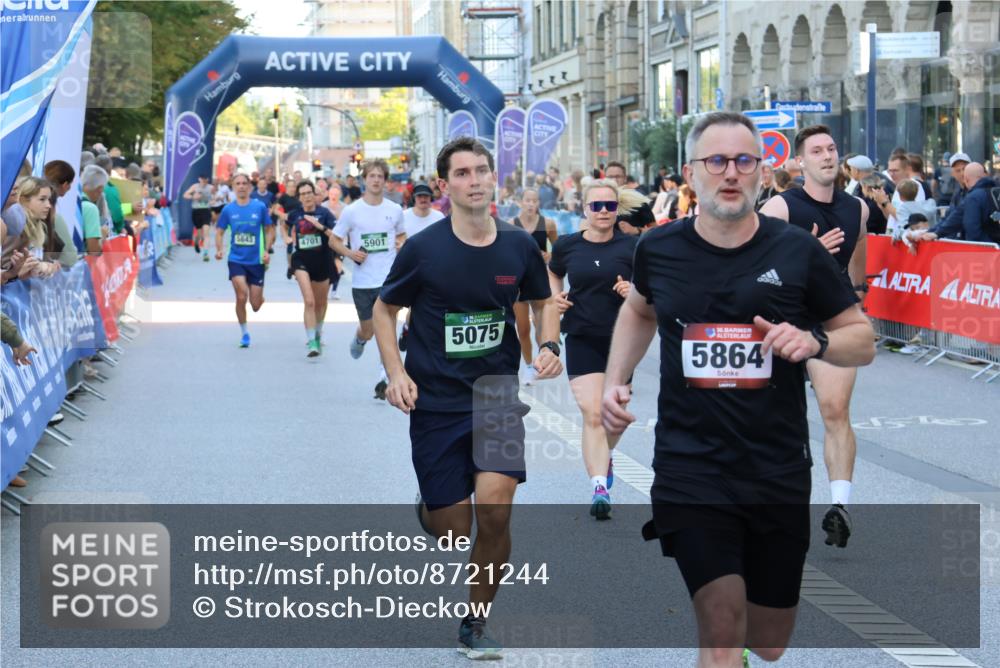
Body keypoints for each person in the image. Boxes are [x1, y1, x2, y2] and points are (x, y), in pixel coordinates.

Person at [601, 112, 874, 668]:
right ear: (690, 174)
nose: (730, 173)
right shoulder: (659, 250)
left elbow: (861, 339)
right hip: (690, 466)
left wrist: (813, 340)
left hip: (774, 466)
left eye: (743, 161)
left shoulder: (798, 251)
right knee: (722, 626)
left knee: (769, 642)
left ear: (762, 172)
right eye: (716, 161)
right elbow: (639, 309)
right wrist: (615, 380)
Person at [372, 137, 562, 659]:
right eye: (462, 173)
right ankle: (432, 509)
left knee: (496, 513)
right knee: (456, 530)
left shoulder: (516, 245)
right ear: (444, 186)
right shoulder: (425, 250)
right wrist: (395, 373)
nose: (475, 180)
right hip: (435, 400)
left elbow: (543, 300)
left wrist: (549, 343)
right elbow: (385, 312)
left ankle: (474, 622)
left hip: (496, 396)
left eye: (482, 171)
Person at [760, 124, 871, 550]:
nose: (827, 156)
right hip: (782, 319)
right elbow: (756, 268)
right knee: (772, 415)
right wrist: (803, 255)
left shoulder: (856, 207)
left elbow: (859, 245)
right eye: (817, 151)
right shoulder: (780, 210)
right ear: (800, 163)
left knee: (834, 408)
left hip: (829, 320)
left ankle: (839, 506)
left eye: (832, 149)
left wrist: (856, 296)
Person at [548, 178, 637, 520]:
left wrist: (634, 290)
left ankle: (606, 454)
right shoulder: (569, 246)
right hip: (582, 335)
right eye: (596, 206)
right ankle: (599, 486)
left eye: (610, 206)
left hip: (621, 341)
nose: (603, 211)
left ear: (617, 209)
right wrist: (554, 296)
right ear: (584, 209)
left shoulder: (632, 246)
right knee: (593, 413)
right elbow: (554, 273)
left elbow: (650, 286)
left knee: (615, 418)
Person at [330, 159, 406, 400]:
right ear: (364, 180)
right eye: (371, 176)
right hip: (363, 282)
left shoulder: (394, 210)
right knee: (369, 330)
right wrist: (351, 253)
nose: (375, 180)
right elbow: (334, 240)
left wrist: (400, 244)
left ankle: (385, 377)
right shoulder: (352, 211)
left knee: (388, 329)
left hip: (388, 280)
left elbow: (402, 237)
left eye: (380, 176)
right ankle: (360, 338)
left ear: (385, 180)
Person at [214, 174, 275, 347]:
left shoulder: (259, 207)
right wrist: (219, 249)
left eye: (244, 183)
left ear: (249, 187)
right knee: (241, 296)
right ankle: (244, 333)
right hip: (236, 259)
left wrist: (266, 250)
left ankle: (260, 299)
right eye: (237, 183)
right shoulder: (228, 210)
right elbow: (219, 231)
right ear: (233, 187)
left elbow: (269, 229)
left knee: (255, 305)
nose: (241, 186)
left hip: (256, 261)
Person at [511, 188, 559, 384]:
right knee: (522, 329)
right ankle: (529, 366)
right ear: (520, 202)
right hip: (518, 283)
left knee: (541, 328)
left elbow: (559, 250)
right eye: (527, 200)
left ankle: (543, 360)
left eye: (535, 201)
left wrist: (550, 256)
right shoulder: (511, 225)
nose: (531, 204)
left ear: (538, 203)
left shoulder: (548, 224)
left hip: (539, 281)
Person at [287, 180, 338, 357]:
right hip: (301, 260)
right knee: (309, 301)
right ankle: (312, 342)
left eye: (309, 193)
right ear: (299, 197)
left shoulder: (324, 214)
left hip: (323, 260)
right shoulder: (295, 214)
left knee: (321, 303)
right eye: (303, 194)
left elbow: (336, 236)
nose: (307, 196)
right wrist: (288, 241)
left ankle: (318, 331)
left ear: (314, 195)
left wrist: (320, 227)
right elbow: (287, 229)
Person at [183, 174, 214, 260]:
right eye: (202, 180)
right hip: (196, 211)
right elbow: (185, 195)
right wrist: (193, 197)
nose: (204, 181)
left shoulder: (211, 188)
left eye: (205, 180)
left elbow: (215, 198)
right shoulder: (194, 187)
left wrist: (213, 201)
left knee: (206, 232)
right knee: (199, 234)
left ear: (207, 180)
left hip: (206, 211)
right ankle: (196, 242)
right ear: (199, 179)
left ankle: (206, 254)